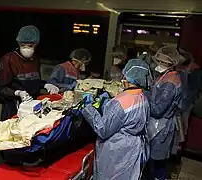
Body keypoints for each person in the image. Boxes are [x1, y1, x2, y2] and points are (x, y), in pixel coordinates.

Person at [82, 59, 151, 180]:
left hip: (117, 150)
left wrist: (88, 108)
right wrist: (108, 104)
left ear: (127, 77)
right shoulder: (142, 97)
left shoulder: (122, 101)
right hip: (132, 147)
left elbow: (102, 129)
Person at [145, 46, 182, 180]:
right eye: (158, 60)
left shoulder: (170, 83)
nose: (158, 64)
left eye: (162, 62)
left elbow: (158, 109)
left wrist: (142, 94)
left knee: (158, 161)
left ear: (170, 64)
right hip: (158, 124)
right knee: (153, 160)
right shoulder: (166, 76)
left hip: (161, 126)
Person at [0, 25, 42, 120]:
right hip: (13, 109)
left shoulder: (35, 60)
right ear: (18, 43)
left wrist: (46, 85)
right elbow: (1, 89)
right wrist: (18, 93)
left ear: (36, 44)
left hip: (33, 107)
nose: (26, 49)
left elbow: (35, 81)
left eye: (30, 46)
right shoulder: (8, 60)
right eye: (22, 45)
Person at [177, 47, 200, 134]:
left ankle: (181, 140)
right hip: (185, 100)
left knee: (183, 123)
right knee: (182, 123)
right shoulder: (184, 69)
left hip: (186, 100)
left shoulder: (192, 69)